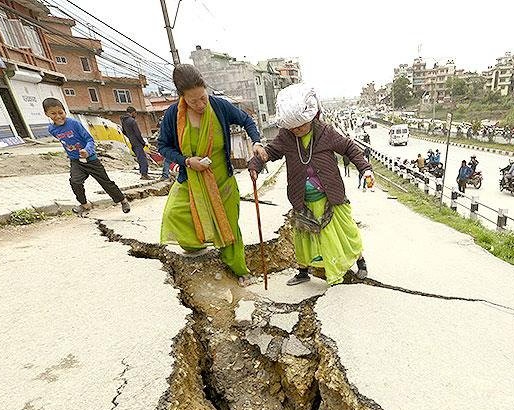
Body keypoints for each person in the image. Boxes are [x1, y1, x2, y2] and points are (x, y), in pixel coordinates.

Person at [253, 83, 372, 286]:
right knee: (304, 239)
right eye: (293, 127)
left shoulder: (326, 132)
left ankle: (359, 262)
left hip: (330, 198)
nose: (297, 130)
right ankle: (303, 272)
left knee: (345, 233)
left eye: (301, 126)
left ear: (311, 117)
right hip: (303, 199)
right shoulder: (286, 137)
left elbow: (349, 148)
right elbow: (269, 152)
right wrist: (255, 164)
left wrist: (365, 169)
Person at [157, 64, 263, 286]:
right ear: (181, 97)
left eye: (202, 97)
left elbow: (247, 120)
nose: (200, 104)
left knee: (229, 226)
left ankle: (239, 270)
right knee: (174, 214)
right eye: (193, 101)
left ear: (206, 90)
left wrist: (256, 141)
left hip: (222, 180)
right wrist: (186, 161)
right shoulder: (172, 116)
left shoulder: (219, 106)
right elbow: (163, 146)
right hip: (192, 178)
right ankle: (196, 246)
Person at [42, 97, 130, 215]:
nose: (58, 116)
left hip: (91, 159)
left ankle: (123, 200)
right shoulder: (52, 129)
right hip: (76, 161)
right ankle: (84, 204)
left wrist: (87, 150)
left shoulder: (74, 124)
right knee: (75, 182)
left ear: (65, 111)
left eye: (60, 112)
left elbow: (89, 139)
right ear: (46, 114)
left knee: (106, 182)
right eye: (53, 113)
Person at [121, 106, 150, 179]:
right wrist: (143, 142)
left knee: (139, 158)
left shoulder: (124, 121)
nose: (136, 115)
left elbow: (123, 132)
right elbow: (138, 133)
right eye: (135, 113)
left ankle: (142, 173)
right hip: (137, 142)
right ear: (133, 112)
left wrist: (130, 137)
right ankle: (144, 174)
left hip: (132, 142)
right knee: (143, 159)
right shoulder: (132, 121)